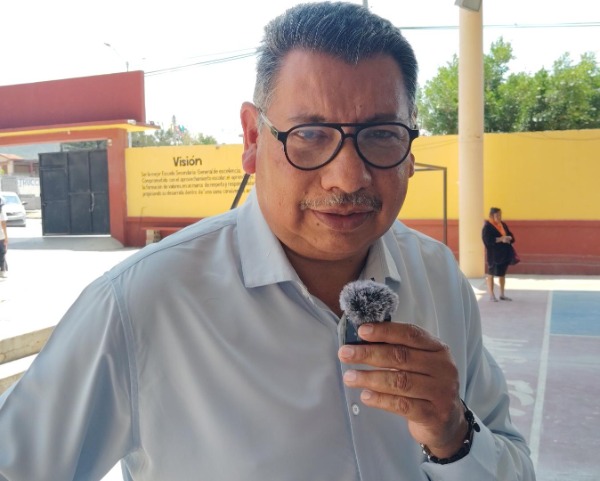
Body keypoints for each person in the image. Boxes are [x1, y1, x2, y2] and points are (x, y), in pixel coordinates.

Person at [0, 3, 535, 480]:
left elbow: (514, 463)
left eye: (380, 134)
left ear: (410, 147)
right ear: (254, 138)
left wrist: (454, 435)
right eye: (310, 135)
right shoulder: (140, 304)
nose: (348, 178)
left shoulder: (437, 277)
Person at [482, 207, 516, 302]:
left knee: (502, 274)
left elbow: (511, 236)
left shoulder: (503, 225)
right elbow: (487, 240)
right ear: (491, 216)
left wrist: (509, 238)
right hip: (493, 254)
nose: (499, 217)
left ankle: (502, 294)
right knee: (491, 274)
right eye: (497, 215)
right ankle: (492, 295)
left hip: (504, 253)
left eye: (500, 215)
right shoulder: (487, 227)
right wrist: (501, 239)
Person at [0, 196, 7, 279]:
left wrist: (6, 237)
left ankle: (3, 270)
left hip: (0, 235)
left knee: (2, 252)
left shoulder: (1, 211)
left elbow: (3, 224)